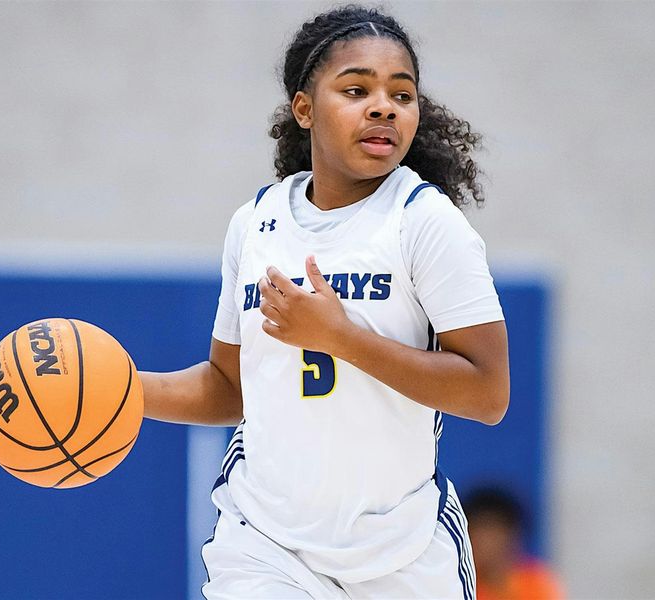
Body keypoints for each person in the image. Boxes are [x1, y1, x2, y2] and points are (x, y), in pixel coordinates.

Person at [136, 6, 510, 599]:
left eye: (402, 94)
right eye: (356, 89)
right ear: (304, 108)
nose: (383, 106)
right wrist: (123, 392)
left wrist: (342, 338)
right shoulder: (256, 222)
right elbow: (229, 389)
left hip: (403, 554)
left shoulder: (426, 223)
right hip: (266, 543)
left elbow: (489, 394)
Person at [464, 486, 563, 600]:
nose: (483, 542)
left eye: (490, 531)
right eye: (476, 531)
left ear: (511, 535)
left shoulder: (537, 583)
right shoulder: (457, 582)